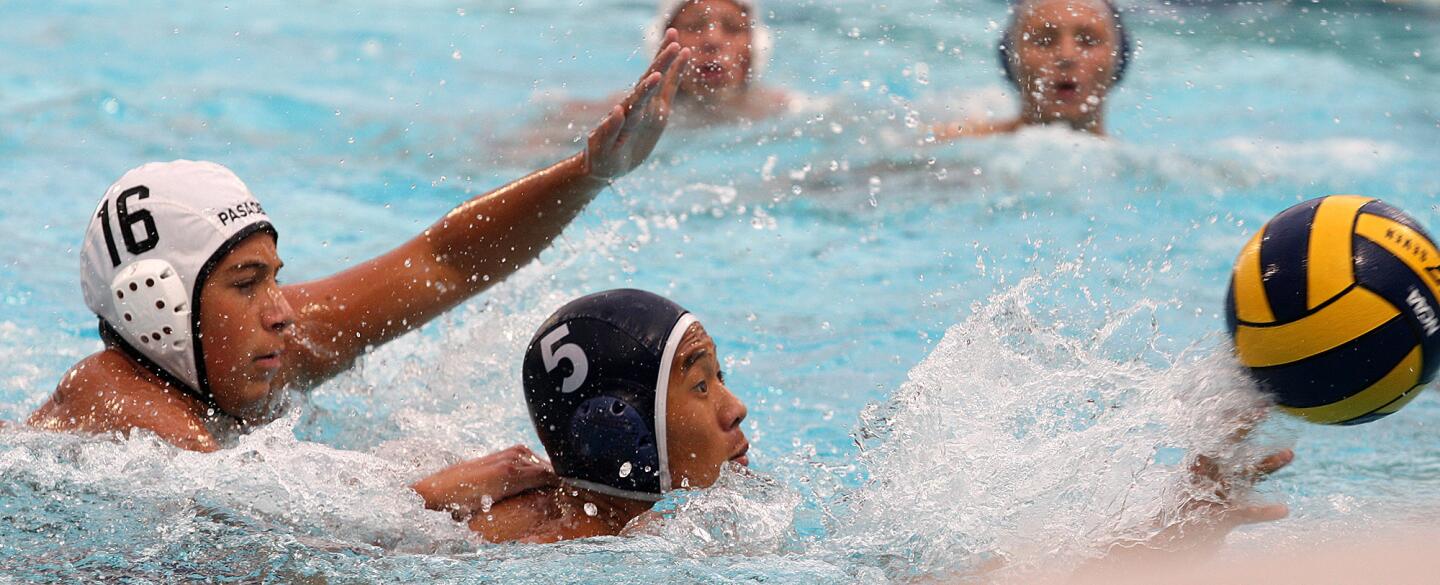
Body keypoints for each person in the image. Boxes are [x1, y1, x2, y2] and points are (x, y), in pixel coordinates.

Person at [26, 31, 691, 467]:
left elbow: (444, 260)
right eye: (246, 281)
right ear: (155, 305)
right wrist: (432, 493)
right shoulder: (106, 395)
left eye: (273, 278)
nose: (281, 311)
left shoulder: (249, 352)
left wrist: (589, 174)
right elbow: (243, 516)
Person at [417, 289, 750, 543]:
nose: (736, 410)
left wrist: (422, 500)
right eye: (701, 386)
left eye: (719, 377)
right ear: (619, 426)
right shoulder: (557, 554)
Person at [932, 0, 1132, 140]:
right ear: (1010, 58)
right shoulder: (953, 150)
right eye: (1044, 41)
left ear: (1119, 58)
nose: (1067, 56)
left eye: (1088, 41)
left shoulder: (1136, 172)